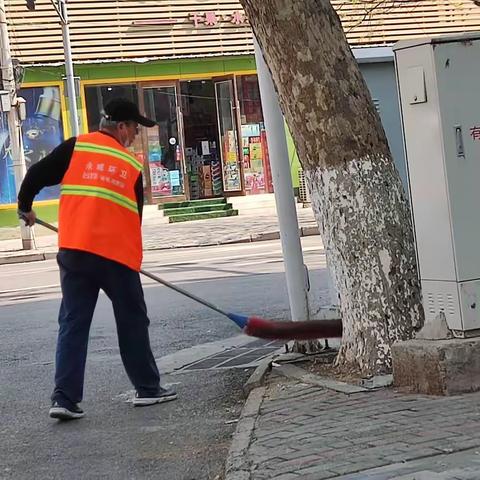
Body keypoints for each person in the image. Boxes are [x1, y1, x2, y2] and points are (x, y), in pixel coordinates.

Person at [17, 98, 177, 421]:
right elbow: (136, 220)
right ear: (120, 126)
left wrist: (25, 207)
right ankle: (147, 388)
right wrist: (132, 260)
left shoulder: (76, 148)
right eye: (133, 128)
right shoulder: (130, 168)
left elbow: (36, 174)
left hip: (75, 253)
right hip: (115, 258)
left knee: (73, 323)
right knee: (132, 320)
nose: (134, 135)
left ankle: (64, 398)